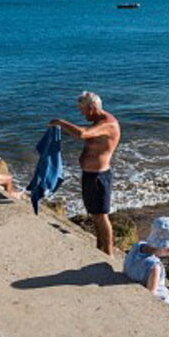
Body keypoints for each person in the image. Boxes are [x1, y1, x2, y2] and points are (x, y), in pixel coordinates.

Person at [49, 91, 120, 256]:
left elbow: (82, 134)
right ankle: (98, 249)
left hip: (99, 177)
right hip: (89, 175)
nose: (81, 113)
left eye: (82, 109)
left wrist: (61, 122)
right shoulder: (96, 122)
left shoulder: (108, 123)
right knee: (95, 215)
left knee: (102, 216)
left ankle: (108, 254)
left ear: (92, 107)